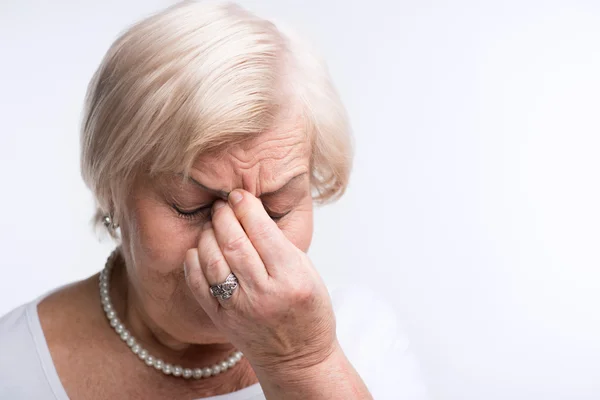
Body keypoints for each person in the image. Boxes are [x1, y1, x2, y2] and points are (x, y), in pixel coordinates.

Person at [0, 1, 428, 399]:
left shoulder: (364, 340)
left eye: (277, 208)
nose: (236, 244)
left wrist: (304, 365)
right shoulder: (13, 363)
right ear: (111, 189)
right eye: (193, 205)